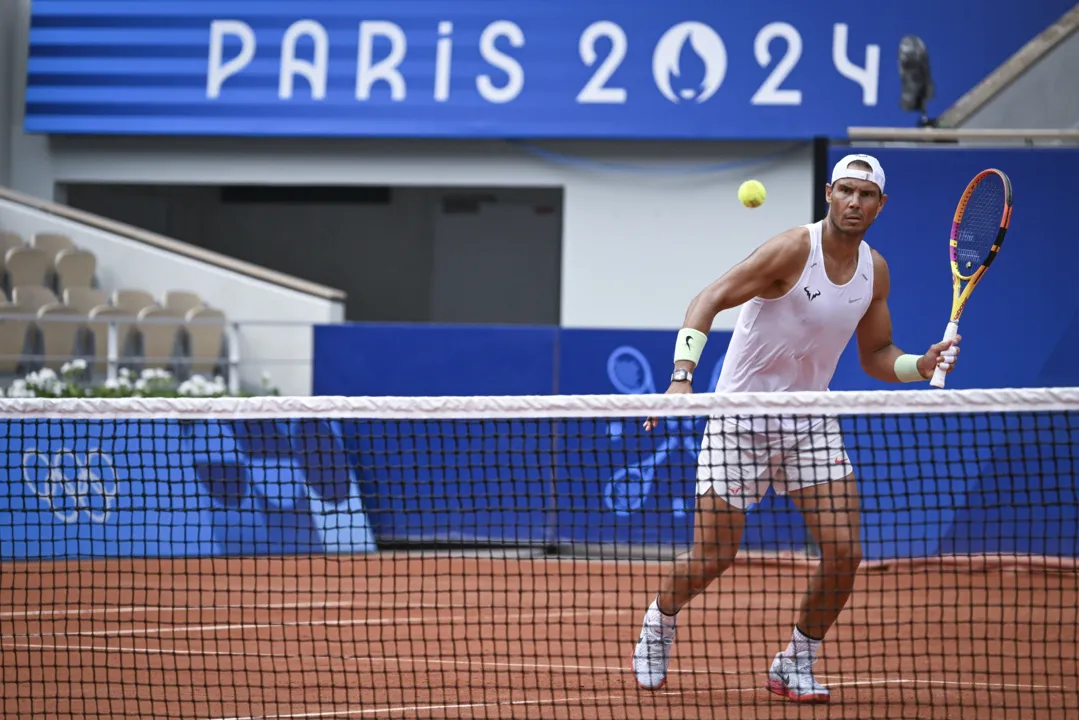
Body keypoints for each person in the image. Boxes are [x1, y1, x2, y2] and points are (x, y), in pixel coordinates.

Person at [630, 154, 960, 703]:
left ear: (881, 205)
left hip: (809, 421)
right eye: (846, 191)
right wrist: (681, 379)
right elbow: (707, 299)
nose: (855, 203)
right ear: (829, 193)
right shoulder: (790, 250)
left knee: (844, 551)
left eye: (867, 195)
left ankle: (794, 663)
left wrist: (919, 367)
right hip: (740, 420)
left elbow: (877, 354)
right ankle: (658, 624)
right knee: (714, 557)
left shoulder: (873, 271)